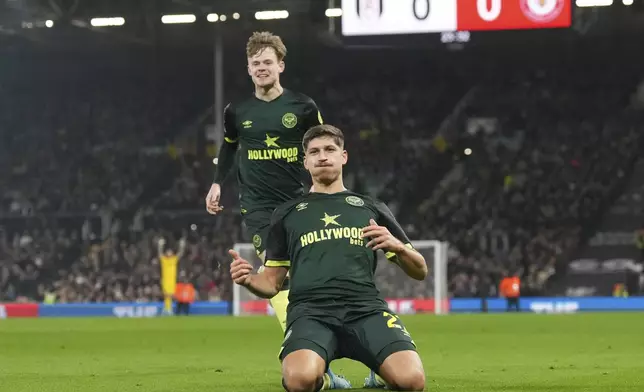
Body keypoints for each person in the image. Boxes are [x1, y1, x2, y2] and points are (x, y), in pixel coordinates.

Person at [229, 125, 428, 392]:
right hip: (310, 313)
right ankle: (325, 379)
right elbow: (272, 283)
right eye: (314, 152)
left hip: (366, 309)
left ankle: (381, 371)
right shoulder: (286, 214)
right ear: (306, 162)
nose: (322, 156)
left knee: (412, 382)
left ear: (343, 156)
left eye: (330, 150)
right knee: (299, 382)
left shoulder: (370, 207)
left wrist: (399, 247)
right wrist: (250, 280)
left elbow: (420, 270)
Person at [204, 32, 350, 389]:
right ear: (249, 70)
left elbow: (323, 147)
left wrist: (331, 190)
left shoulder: (302, 107)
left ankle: (337, 351)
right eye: (255, 64)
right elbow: (227, 149)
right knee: (277, 281)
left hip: (301, 204)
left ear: (280, 66)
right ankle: (313, 362)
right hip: (258, 209)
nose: (261, 69)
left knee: (311, 280)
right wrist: (217, 182)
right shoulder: (237, 112)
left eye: (267, 62)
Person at [157, 237, 186, 316]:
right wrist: (160, 245)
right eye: (168, 252)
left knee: (170, 295)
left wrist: (182, 245)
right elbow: (159, 254)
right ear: (166, 253)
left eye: (170, 252)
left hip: (172, 280)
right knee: (167, 294)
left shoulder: (174, 259)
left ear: (172, 253)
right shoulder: (164, 260)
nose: (169, 253)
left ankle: (167, 309)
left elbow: (180, 253)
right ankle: (167, 309)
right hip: (165, 280)